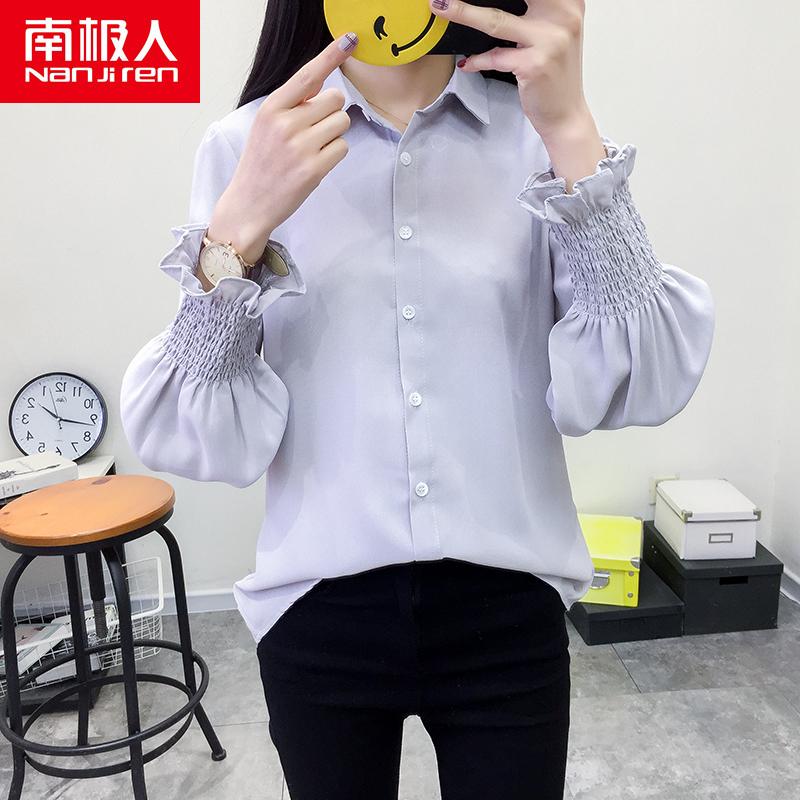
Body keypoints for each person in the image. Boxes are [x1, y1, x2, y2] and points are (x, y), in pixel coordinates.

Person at [119, 0, 715, 797]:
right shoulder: (247, 145)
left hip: (508, 605)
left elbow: (644, 374)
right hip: (317, 610)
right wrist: (236, 232)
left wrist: (571, 125)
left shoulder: (535, 135)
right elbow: (197, 428)